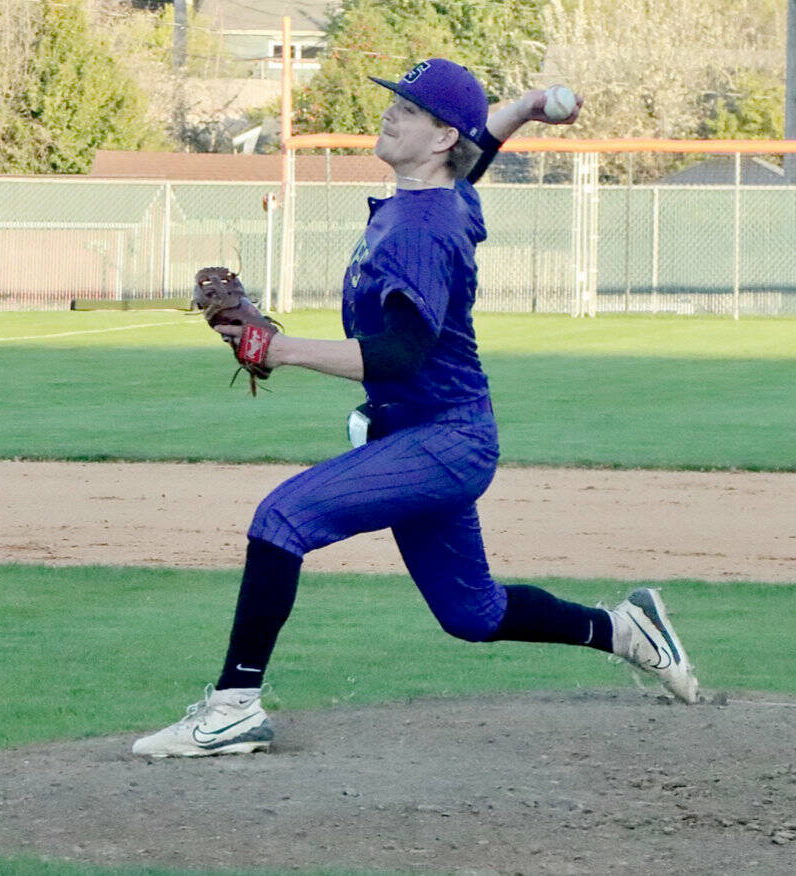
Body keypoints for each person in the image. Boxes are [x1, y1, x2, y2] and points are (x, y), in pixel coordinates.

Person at [132, 59, 698, 759]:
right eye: (396, 100)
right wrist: (521, 108)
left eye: (411, 108)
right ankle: (625, 630)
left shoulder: (422, 229)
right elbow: (476, 149)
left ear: (438, 139)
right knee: (473, 613)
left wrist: (277, 349)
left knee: (281, 520)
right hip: (427, 433)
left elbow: (397, 355)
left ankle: (232, 707)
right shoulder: (443, 194)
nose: (391, 112)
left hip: (444, 441)